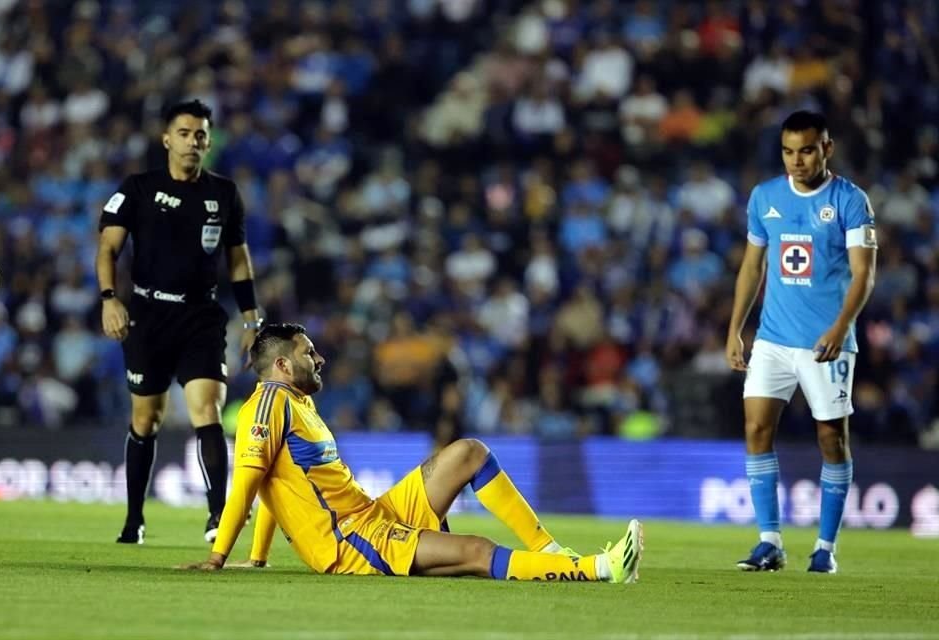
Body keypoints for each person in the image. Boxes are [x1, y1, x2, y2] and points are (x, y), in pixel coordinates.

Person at [182, 323, 644, 583]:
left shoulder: (298, 402)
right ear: (282, 364)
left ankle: (550, 549)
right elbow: (248, 482)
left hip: (373, 514)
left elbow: (276, 486)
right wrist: (220, 556)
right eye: (309, 353)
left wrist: (260, 558)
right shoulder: (266, 403)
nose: (319, 359)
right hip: (351, 543)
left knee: (469, 452)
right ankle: (598, 569)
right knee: (476, 551)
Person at [96, 99, 262, 545]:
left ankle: (217, 517)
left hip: (201, 317)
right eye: (185, 133)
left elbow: (238, 262)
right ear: (166, 138)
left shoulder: (224, 194)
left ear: (209, 142)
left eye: (201, 135)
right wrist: (110, 299)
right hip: (147, 316)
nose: (193, 142)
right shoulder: (138, 188)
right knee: (146, 419)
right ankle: (133, 520)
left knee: (207, 409)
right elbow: (108, 248)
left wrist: (251, 320)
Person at [725, 111, 877, 573]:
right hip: (772, 338)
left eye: (807, 150)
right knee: (755, 429)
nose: (797, 161)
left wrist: (839, 328)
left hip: (824, 343)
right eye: (789, 152)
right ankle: (769, 541)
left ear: (826, 148)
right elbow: (753, 267)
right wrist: (735, 328)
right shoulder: (766, 197)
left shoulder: (851, 201)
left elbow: (863, 273)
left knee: (831, 439)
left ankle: (825, 548)